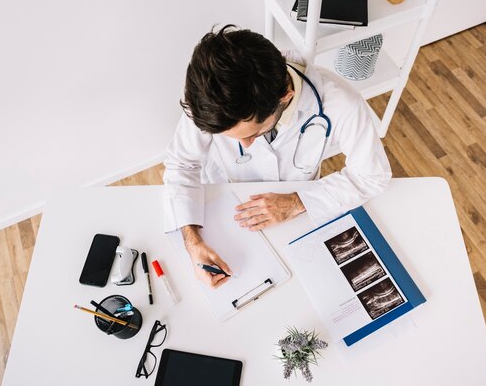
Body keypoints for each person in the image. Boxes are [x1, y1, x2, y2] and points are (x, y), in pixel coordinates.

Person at [163, 25, 391, 289]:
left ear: (285, 97)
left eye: (254, 132)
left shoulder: (340, 102)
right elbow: (181, 163)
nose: (246, 145)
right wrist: (192, 241)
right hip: (222, 209)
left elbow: (373, 176)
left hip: (300, 212)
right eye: (230, 136)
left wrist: (297, 201)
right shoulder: (211, 96)